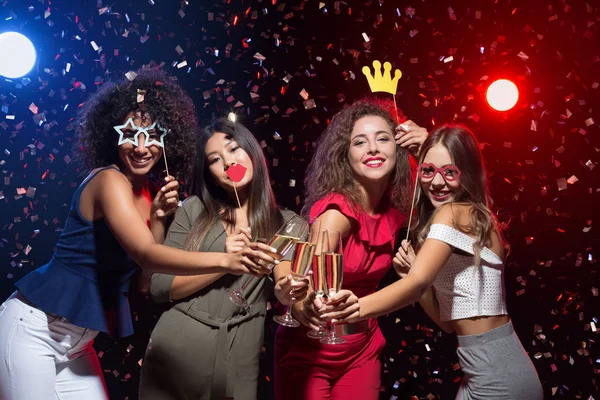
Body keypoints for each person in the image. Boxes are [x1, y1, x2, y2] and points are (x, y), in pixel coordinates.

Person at [0, 70, 274, 400]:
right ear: (112, 138)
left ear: (165, 140)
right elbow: (145, 253)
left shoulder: (151, 194)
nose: (142, 147)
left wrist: (158, 218)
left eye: (152, 135)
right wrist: (226, 260)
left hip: (77, 343)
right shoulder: (108, 181)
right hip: (34, 327)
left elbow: (145, 282)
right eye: (130, 134)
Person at [321, 125, 544, 399]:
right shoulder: (476, 216)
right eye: (428, 171)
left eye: (450, 172)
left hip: (497, 377)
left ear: (468, 174)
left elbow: (417, 284)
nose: (437, 183)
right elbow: (447, 323)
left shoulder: (453, 213)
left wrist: (352, 309)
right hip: (494, 369)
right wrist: (416, 279)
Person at [139, 117, 309, 400]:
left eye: (233, 149)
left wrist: (288, 290)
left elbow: (285, 278)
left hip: (239, 355)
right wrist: (225, 261)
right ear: (209, 173)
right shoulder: (194, 210)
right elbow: (158, 288)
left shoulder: (291, 224)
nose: (229, 163)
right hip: (175, 350)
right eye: (215, 159)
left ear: (251, 150)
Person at [273, 99, 428, 400]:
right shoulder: (337, 213)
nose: (373, 148)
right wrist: (303, 302)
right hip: (312, 350)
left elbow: (451, 201)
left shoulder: (394, 210)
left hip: (362, 349)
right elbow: (304, 275)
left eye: (383, 138)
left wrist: (427, 147)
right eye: (360, 142)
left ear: (399, 148)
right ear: (346, 156)